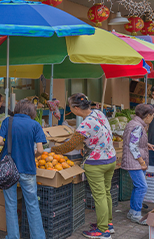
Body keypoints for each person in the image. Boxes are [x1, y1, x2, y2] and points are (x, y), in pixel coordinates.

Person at [51, 93, 116, 239]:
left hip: (96, 163)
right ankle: (108, 224)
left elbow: (71, 145)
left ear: (75, 108)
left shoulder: (86, 124)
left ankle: (103, 231)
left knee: (99, 196)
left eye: (70, 107)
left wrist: (52, 149)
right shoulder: (98, 113)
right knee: (106, 193)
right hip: (110, 159)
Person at [0, 99, 46, 239]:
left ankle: (13, 236)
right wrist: (32, 154)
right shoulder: (35, 124)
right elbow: (41, 150)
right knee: (32, 204)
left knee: (10, 204)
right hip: (28, 168)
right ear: (32, 112)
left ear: (17, 109)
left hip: (8, 169)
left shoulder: (8, 121)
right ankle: (38, 237)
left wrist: (8, 145)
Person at [121, 104, 154, 225]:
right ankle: (136, 213)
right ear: (147, 116)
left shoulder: (134, 123)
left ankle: (132, 211)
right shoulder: (138, 126)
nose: (152, 118)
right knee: (142, 186)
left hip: (133, 160)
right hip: (134, 161)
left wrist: (146, 144)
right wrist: (142, 161)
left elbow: (133, 140)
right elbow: (132, 145)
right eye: (152, 116)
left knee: (138, 186)